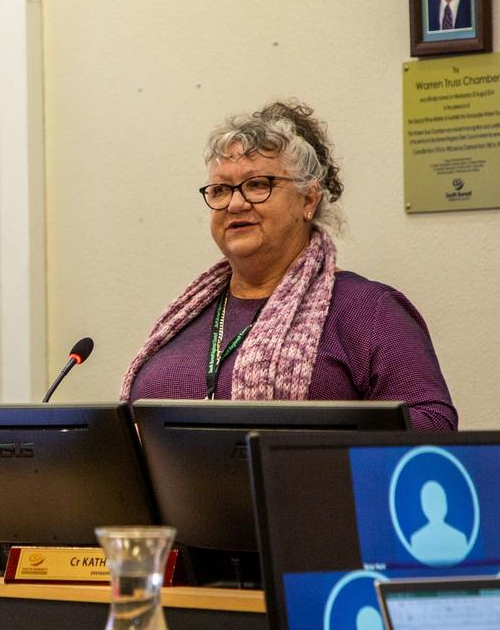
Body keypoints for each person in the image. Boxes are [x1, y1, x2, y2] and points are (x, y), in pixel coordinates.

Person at [121, 101, 457, 431]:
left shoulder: (369, 310)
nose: (235, 203)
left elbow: (435, 425)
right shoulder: (187, 315)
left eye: (257, 185)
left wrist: (314, 446)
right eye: (221, 190)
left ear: (309, 199)